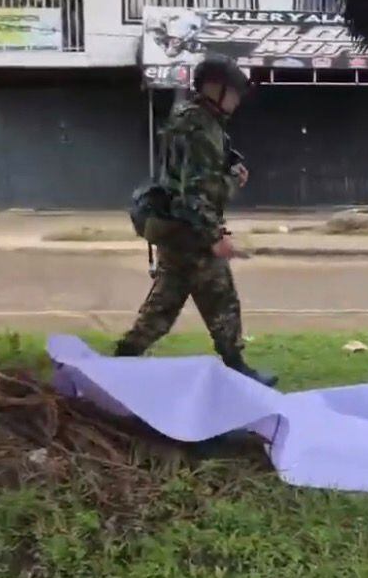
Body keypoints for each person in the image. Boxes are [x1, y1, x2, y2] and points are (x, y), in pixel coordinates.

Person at [114, 55, 277, 387]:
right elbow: (194, 192)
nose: (236, 99)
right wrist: (215, 236)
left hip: (175, 230)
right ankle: (236, 367)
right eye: (232, 92)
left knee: (165, 303)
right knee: (221, 297)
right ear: (214, 89)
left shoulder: (187, 119)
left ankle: (123, 359)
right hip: (192, 233)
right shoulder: (202, 128)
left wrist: (229, 172)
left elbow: (188, 177)